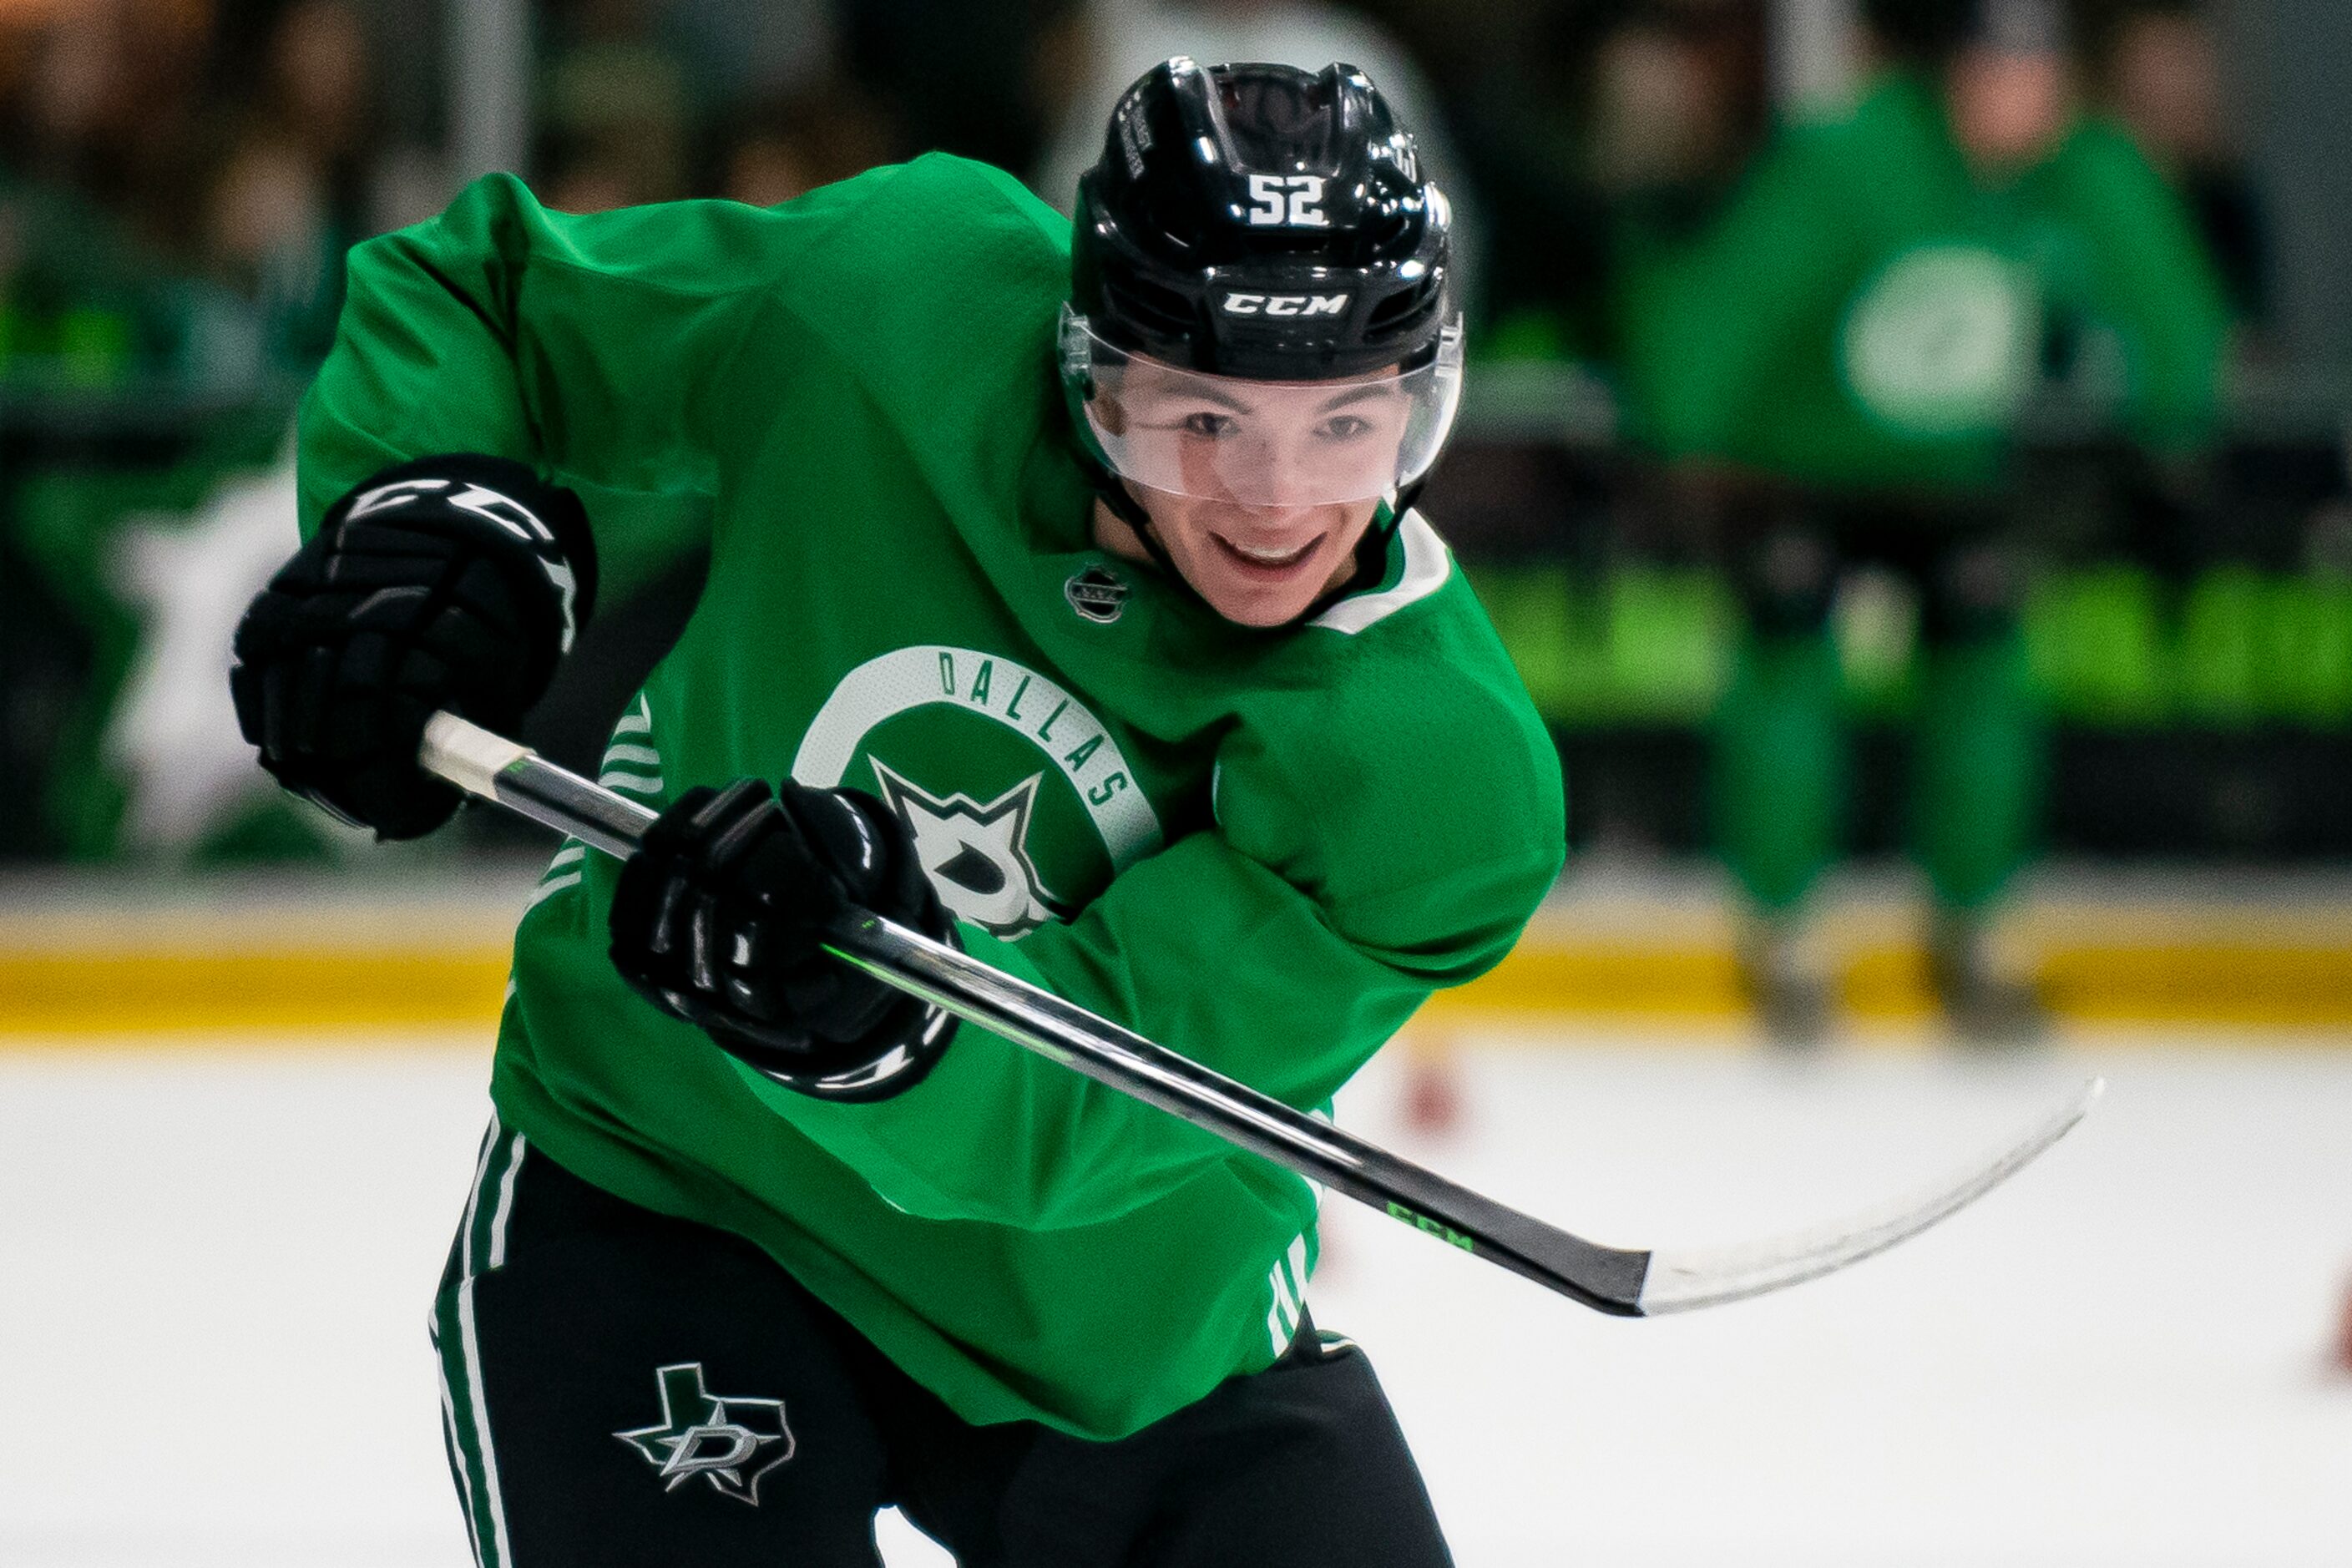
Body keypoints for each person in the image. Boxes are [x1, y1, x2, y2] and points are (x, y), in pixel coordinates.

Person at [228, 58, 1562, 1565]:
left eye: (1347, 423)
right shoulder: (892, 300)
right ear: (1091, 372)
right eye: (1198, 419)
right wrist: (422, 520)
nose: (1276, 503)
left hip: (1110, 1324)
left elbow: (1087, 1099)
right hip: (681, 1187)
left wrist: (873, 1018)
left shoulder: (1438, 778)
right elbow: (486, 293)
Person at [1615, 0, 2228, 1041]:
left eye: (2039, 81)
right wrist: (1679, 442)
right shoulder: (1855, 159)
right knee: (1788, 668)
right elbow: (1739, 295)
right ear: (1952, 76)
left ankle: (1974, 925)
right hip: (1798, 469)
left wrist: (2176, 422)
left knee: (1986, 675)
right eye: (1997, 76)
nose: (2019, 105)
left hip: (1948, 476)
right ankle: (1783, 928)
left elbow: (2154, 275)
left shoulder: (2074, 165)